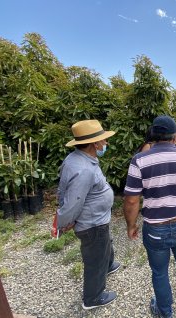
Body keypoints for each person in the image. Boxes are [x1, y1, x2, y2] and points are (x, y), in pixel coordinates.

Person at [123, 115, 176, 318]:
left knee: (159, 271)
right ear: (175, 136)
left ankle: (165, 311)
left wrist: (131, 225)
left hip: (156, 227)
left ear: (153, 135)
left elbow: (131, 200)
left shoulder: (139, 160)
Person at [57, 119, 120, 310]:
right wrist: (63, 222)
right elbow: (74, 201)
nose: (105, 144)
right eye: (103, 140)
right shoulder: (82, 168)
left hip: (99, 219)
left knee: (105, 246)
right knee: (95, 258)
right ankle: (93, 298)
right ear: (95, 144)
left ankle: (107, 265)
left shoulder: (80, 158)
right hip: (92, 224)